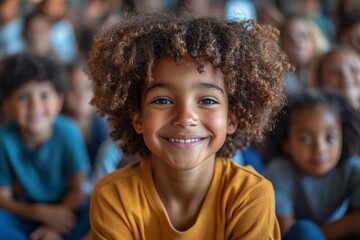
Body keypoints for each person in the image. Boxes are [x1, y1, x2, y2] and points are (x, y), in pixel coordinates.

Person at [88, 12, 292, 239]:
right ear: (138, 119)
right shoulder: (113, 196)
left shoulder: (250, 195)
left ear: (231, 119)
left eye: (207, 101)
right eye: (163, 100)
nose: (185, 118)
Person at [0, 53, 91, 240]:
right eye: (23, 97)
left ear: (59, 101)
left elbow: (78, 189)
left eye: (44, 95)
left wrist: (55, 225)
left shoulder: (68, 132)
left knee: (98, 211)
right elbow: (3, 198)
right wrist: (41, 213)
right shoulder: (3, 140)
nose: (35, 105)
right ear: (7, 106)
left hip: (67, 208)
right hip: (25, 212)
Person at [265, 90, 360, 239]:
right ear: (287, 144)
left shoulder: (353, 169)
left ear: (344, 137)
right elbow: (288, 232)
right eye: (305, 139)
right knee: (304, 231)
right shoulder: (279, 171)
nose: (320, 149)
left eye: (330, 138)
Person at [62, 59, 109, 168]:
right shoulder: (58, 128)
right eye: (74, 88)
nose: (80, 94)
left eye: (87, 87)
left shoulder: (103, 126)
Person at [279, 15, 329, 95]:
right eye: (288, 36)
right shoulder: (275, 80)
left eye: (303, 35)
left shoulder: (328, 72)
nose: (295, 41)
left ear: (315, 40)